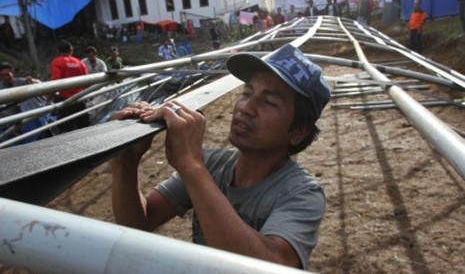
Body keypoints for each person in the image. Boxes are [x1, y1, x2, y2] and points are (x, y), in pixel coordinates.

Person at [110, 44, 331, 270]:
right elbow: (139, 222)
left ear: (298, 132)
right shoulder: (212, 164)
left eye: (269, 102)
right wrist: (125, 165)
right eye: (247, 92)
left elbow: (270, 266)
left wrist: (192, 166)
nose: (246, 107)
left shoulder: (302, 194)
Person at [0, 62, 50, 143]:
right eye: (3, 75)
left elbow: (41, 85)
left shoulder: (22, 82)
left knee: (28, 103)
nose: (5, 77)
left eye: (7, 74)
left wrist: (33, 80)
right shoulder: (1, 87)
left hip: (28, 113)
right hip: (12, 114)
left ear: (12, 73)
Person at [51, 39, 89, 133]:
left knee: (66, 129)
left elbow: (55, 82)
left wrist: (49, 98)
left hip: (65, 101)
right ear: (70, 50)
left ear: (58, 51)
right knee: (84, 127)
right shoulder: (79, 62)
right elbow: (87, 81)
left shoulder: (57, 62)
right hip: (80, 99)